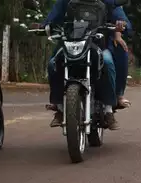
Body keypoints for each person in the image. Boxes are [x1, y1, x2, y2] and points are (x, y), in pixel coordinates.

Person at [43, 0, 131, 129]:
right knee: (53, 64)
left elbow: (121, 18)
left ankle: (108, 110)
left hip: (98, 45)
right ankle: (59, 108)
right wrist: (46, 25)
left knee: (107, 62)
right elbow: (54, 16)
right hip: (71, 43)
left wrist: (121, 23)